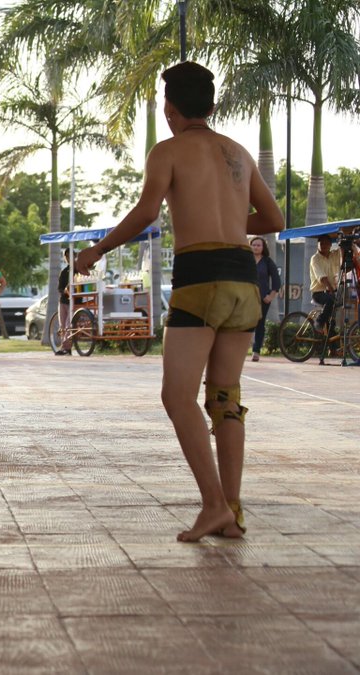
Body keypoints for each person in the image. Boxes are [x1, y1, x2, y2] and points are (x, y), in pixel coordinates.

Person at [75, 61, 284, 542]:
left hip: (201, 278)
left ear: (169, 109)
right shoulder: (237, 152)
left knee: (177, 396)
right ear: (211, 106)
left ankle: (213, 504)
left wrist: (99, 247)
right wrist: (231, 223)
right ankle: (231, 511)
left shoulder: (167, 151)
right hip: (242, 280)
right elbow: (271, 218)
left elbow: (148, 212)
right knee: (225, 395)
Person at [250, 236, 281, 362]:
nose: (256, 247)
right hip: (246, 297)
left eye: (259, 245)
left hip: (263, 298)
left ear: (263, 248)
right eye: (254, 245)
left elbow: (276, 280)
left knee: (260, 324)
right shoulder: (246, 260)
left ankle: (256, 351)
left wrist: (271, 296)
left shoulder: (267, 261)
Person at [309, 234, 342, 331]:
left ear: (331, 245)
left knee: (332, 317)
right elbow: (322, 278)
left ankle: (330, 341)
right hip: (319, 293)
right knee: (330, 300)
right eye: (321, 243)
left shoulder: (333, 255)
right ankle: (319, 322)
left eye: (326, 243)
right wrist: (331, 290)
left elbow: (342, 251)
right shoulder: (315, 259)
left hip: (331, 292)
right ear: (317, 245)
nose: (324, 245)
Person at [55, 248, 73, 355]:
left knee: (68, 325)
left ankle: (66, 347)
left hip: (73, 302)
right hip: (63, 301)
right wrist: (65, 292)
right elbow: (60, 288)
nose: (67, 258)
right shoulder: (64, 272)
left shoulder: (78, 270)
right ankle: (65, 347)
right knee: (62, 325)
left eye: (69, 255)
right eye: (66, 256)